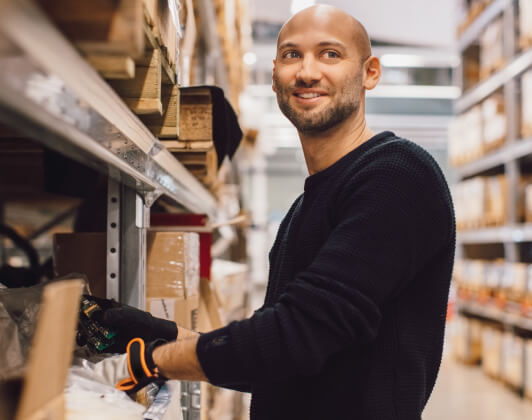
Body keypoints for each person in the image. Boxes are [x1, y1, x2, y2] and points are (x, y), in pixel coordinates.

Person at [93, 5, 455, 419]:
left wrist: (148, 362)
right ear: (274, 75)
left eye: (330, 54)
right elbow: (279, 360)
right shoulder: (305, 207)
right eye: (291, 55)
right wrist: (167, 333)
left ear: (369, 72)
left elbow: (299, 336)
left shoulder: (397, 176)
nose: (306, 72)